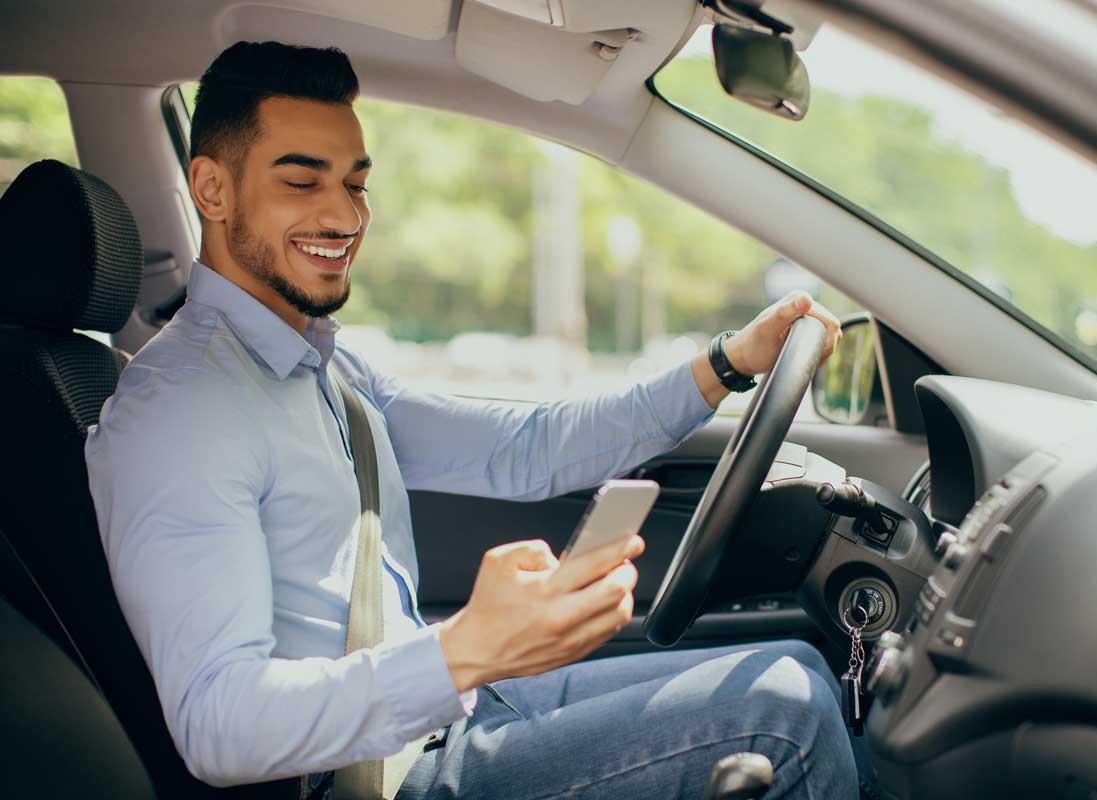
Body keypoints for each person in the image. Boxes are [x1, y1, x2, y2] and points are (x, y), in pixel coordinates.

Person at [85, 41, 855, 800]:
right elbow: (218, 726)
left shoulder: (324, 368)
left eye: (355, 183)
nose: (344, 214)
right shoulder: (179, 413)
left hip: (438, 721)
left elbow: (525, 451)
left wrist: (726, 365)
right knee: (785, 715)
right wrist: (463, 652)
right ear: (212, 191)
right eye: (301, 181)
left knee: (797, 663)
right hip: (368, 780)